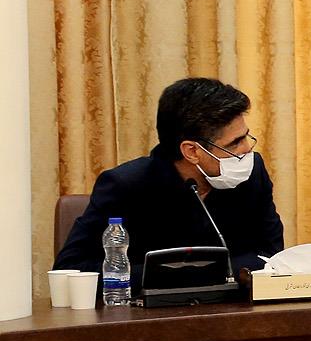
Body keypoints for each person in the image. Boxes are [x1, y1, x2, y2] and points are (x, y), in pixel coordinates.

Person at [56, 77, 285, 275]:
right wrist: (169, 275)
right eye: (235, 143)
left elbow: (272, 256)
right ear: (192, 151)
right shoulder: (125, 185)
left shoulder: (252, 174)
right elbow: (71, 268)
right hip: (150, 310)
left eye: (246, 136)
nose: (247, 149)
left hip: (234, 309)